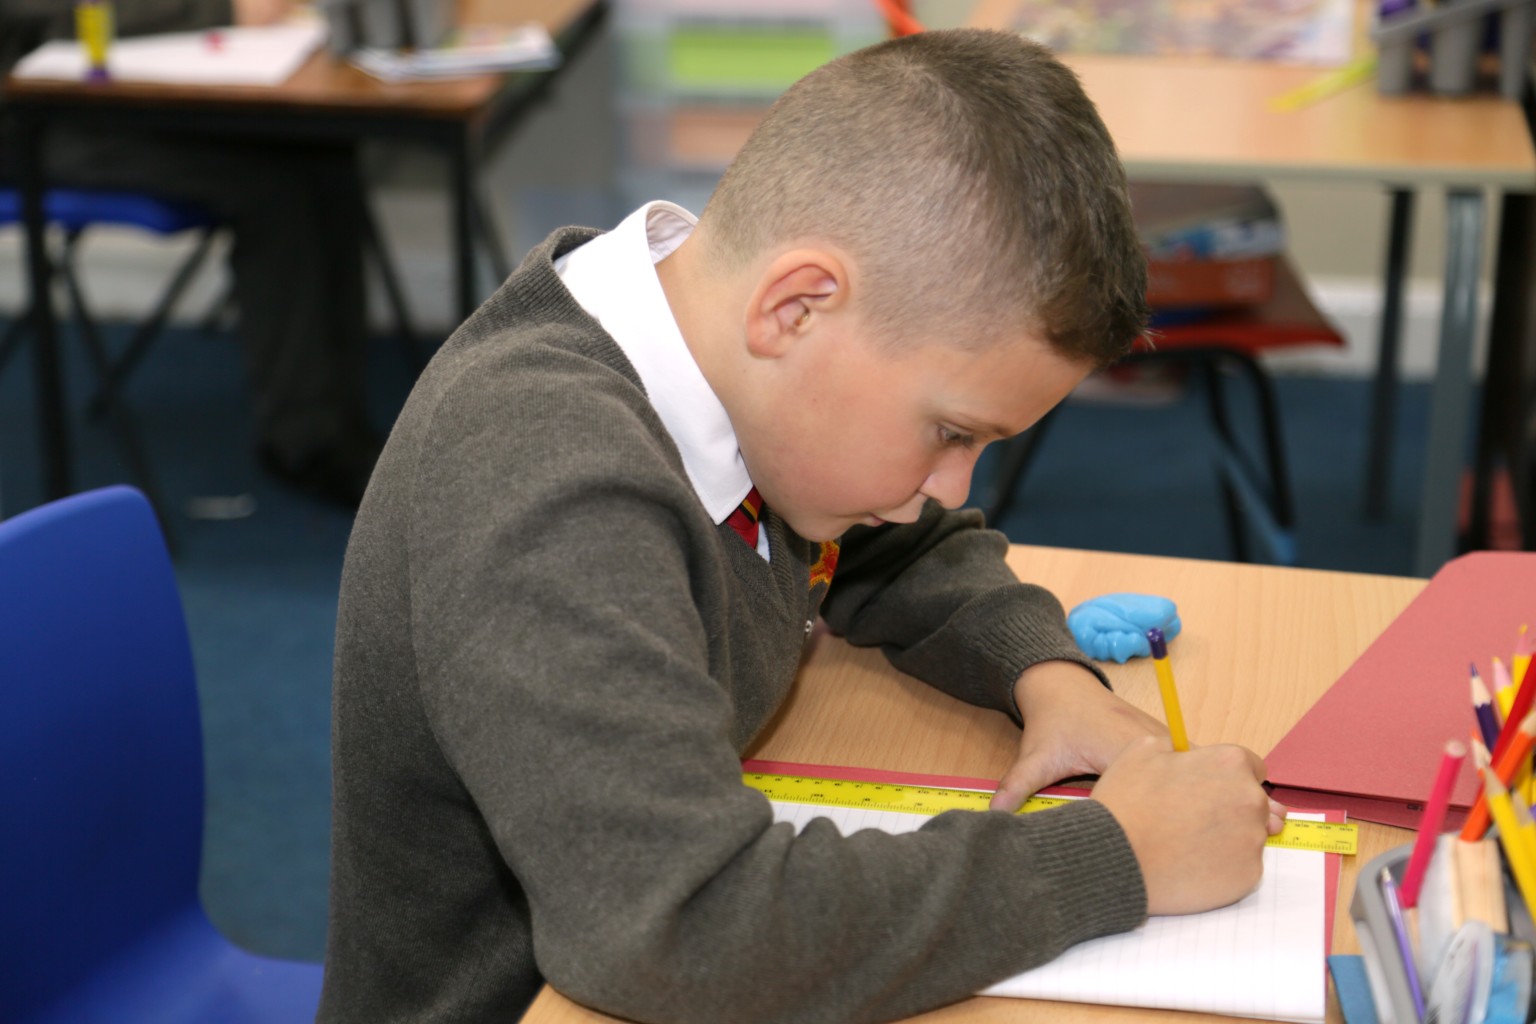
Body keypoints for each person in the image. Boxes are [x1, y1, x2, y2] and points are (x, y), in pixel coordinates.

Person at [320, 27, 1286, 1024]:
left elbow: (902, 545)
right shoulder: (546, 481)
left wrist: (1045, 676)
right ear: (797, 307)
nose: (952, 487)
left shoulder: (732, 370)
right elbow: (679, 931)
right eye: (950, 431)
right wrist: (1115, 856)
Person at [0, 0, 380, 507]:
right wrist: (222, 10)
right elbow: (61, 14)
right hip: (36, 120)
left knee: (324, 157)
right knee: (272, 190)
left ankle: (343, 416)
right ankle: (306, 441)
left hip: (126, 92)